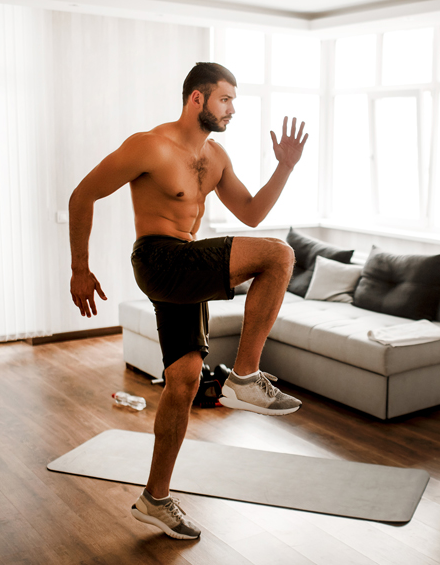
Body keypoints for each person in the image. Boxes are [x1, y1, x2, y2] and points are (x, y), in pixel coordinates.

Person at [67, 62, 308, 540]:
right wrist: (79, 267)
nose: (232, 110)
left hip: (186, 265)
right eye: (225, 100)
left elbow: (253, 213)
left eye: (235, 101)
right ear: (196, 99)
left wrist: (285, 166)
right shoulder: (150, 146)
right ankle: (243, 379)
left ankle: (154, 499)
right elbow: (82, 196)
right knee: (280, 256)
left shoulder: (216, 157)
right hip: (158, 258)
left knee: (183, 381)